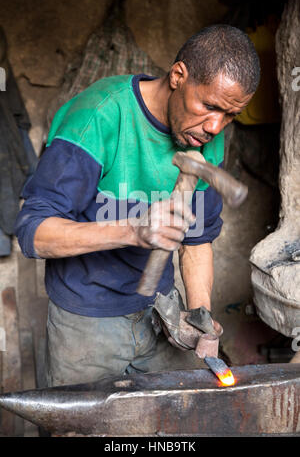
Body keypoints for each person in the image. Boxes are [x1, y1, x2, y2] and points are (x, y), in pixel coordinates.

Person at [15, 25, 260, 387]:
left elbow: (197, 240)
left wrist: (199, 314)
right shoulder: (99, 116)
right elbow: (32, 233)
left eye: (229, 115)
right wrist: (134, 229)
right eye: (209, 106)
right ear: (178, 76)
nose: (215, 126)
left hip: (160, 313)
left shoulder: (208, 139)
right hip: (86, 322)